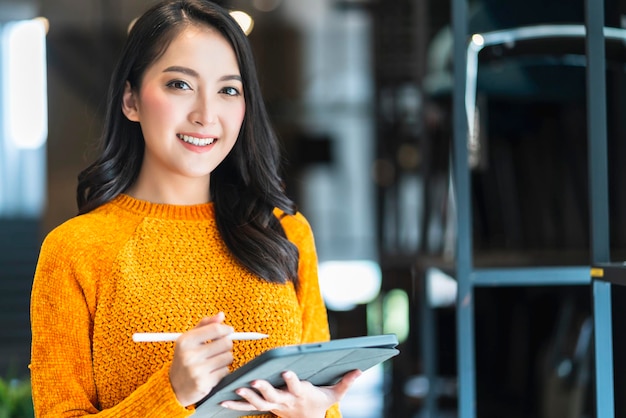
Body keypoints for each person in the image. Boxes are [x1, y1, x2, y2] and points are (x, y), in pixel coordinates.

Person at [29, 1, 362, 416]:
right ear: (131, 100)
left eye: (228, 90)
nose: (206, 115)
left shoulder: (285, 232)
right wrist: (170, 392)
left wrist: (312, 413)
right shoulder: (75, 251)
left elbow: (324, 405)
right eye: (180, 85)